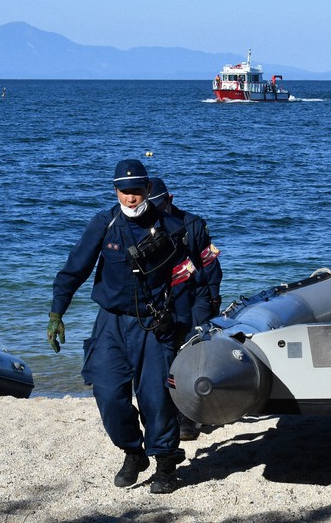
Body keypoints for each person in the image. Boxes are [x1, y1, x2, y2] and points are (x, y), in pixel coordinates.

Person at [46, 159, 198, 494]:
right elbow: (74, 269)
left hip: (154, 326)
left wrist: (185, 328)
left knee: (156, 398)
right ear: (115, 191)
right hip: (110, 324)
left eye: (136, 191)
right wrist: (57, 313)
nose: (130, 198)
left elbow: (188, 281)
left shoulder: (172, 227)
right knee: (107, 392)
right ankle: (133, 451)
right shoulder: (104, 223)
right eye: (123, 191)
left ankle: (165, 464)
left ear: (147, 189)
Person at [148, 177, 223, 441]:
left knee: (194, 353)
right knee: (163, 357)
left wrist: (214, 298)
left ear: (170, 199)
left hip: (195, 296)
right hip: (161, 300)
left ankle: (188, 416)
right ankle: (169, 410)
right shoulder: (144, 228)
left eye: (159, 205)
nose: (156, 211)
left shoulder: (193, 224)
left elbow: (210, 264)